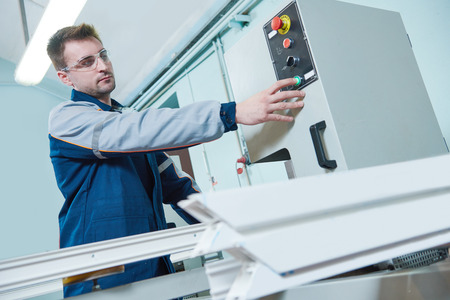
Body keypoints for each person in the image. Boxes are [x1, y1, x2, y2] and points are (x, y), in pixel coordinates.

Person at [47, 23, 305, 297]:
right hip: (99, 277)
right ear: (65, 78)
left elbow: (179, 189)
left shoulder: (128, 122)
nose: (102, 65)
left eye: (103, 55)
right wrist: (231, 113)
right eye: (87, 62)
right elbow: (135, 131)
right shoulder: (67, 120)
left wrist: (235, 237)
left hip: (153, 268)